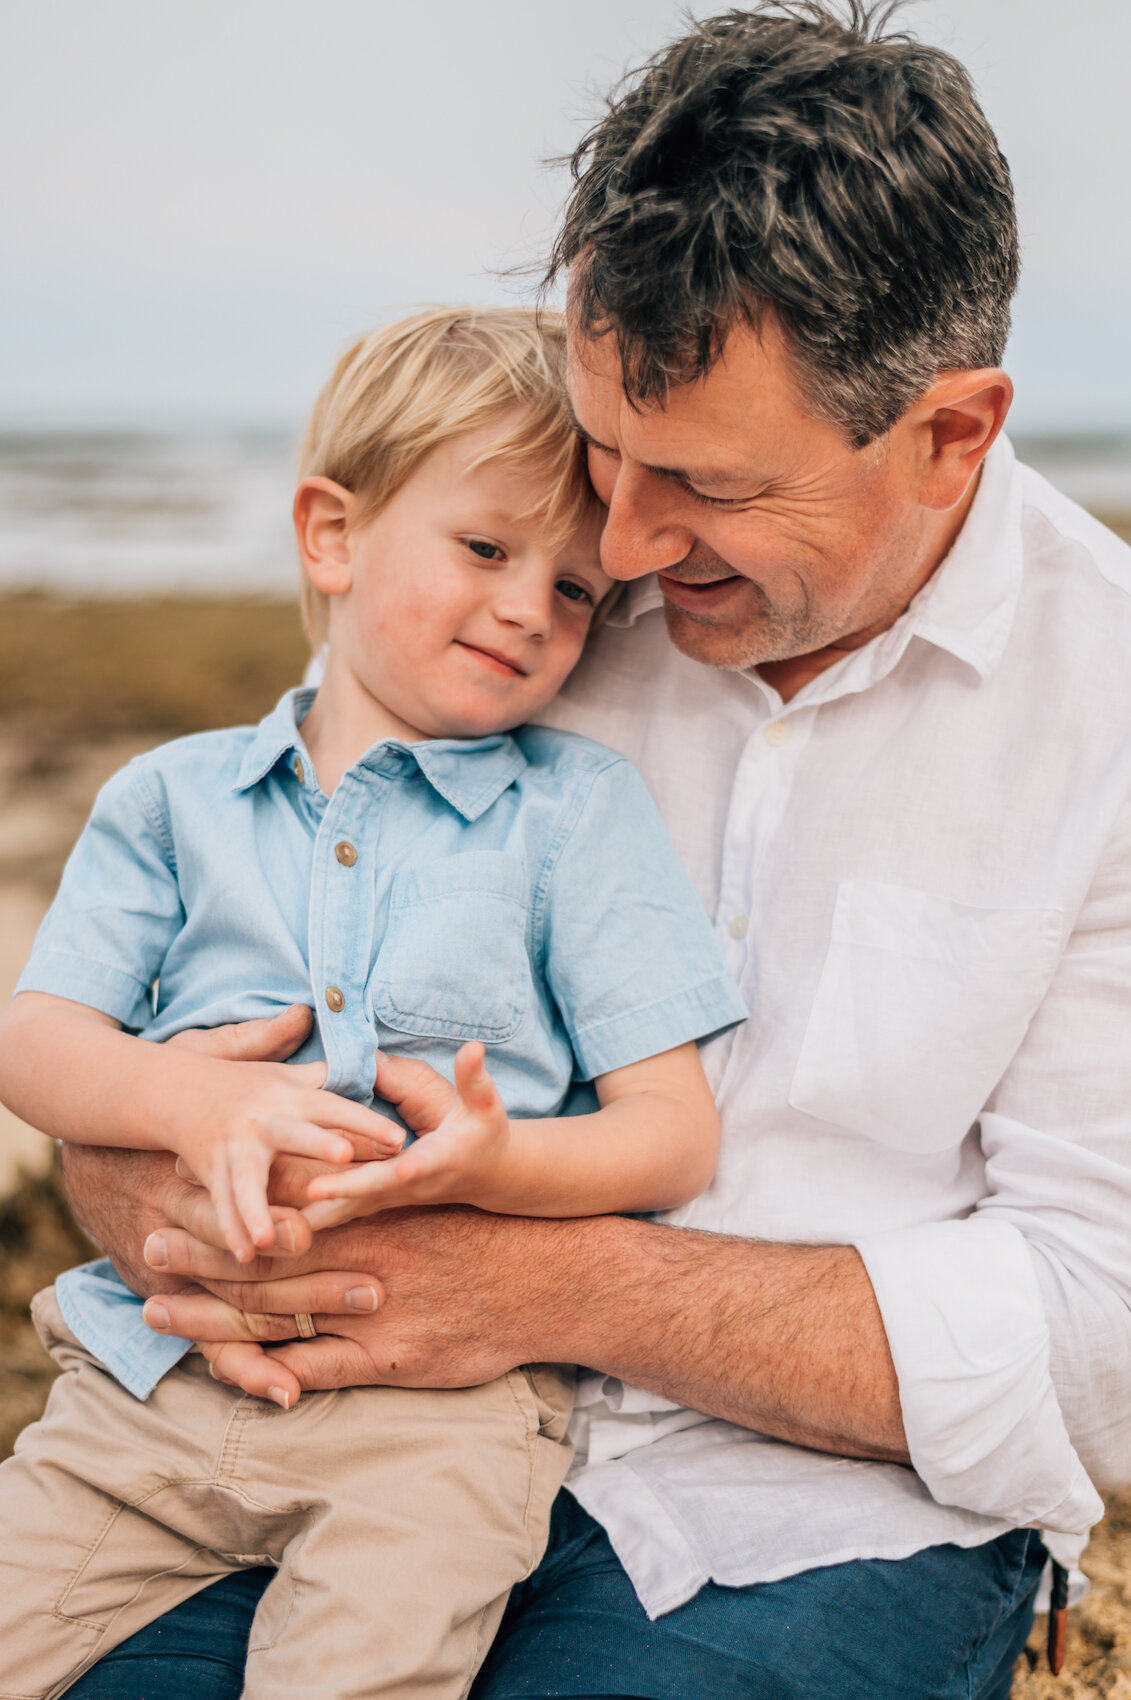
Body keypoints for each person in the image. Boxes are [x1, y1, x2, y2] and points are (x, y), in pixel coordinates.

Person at [23, 2, 1131, 1697]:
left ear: (949, 435)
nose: (614, 548)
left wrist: (546, 1289)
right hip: (317, 1420)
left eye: (697, 483)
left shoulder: (1106, 709)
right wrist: (155, 1173)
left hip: (807, 1512)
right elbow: (215, 977)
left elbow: (1104, 1335)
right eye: (605, 447)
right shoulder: (520, 593)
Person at [0, 305, 746, 1700]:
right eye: (484, 548)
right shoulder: (170, 801)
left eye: (578, 589)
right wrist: (186, 1094)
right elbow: (34, 1043)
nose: (532, 607)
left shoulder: (576, 815)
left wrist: (512, 1161)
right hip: (148, 1391)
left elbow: (672, 1132)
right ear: (332, 535)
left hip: (438, 1426)